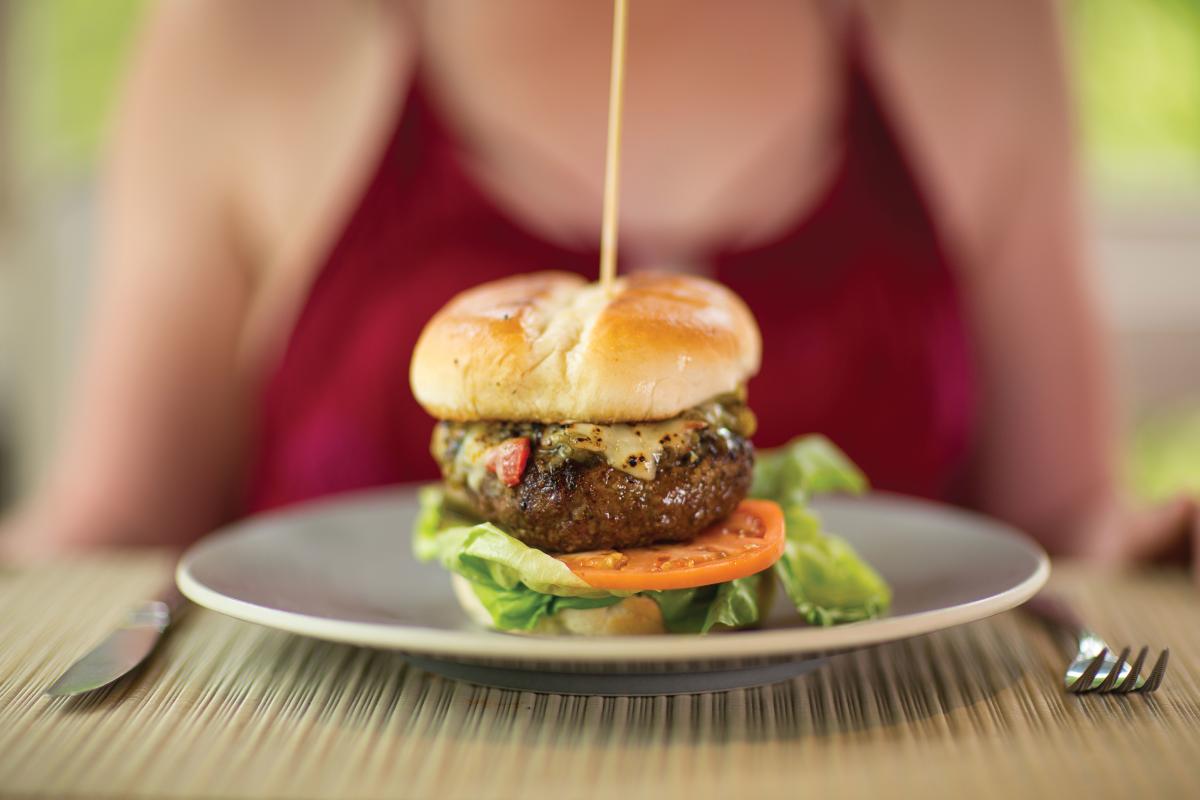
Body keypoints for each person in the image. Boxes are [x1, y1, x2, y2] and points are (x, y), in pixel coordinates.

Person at [1, 0, 1194, 570]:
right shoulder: (247, 37)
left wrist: (1146, 538)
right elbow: (115, 528)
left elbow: (1058, 515)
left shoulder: (974, 31)